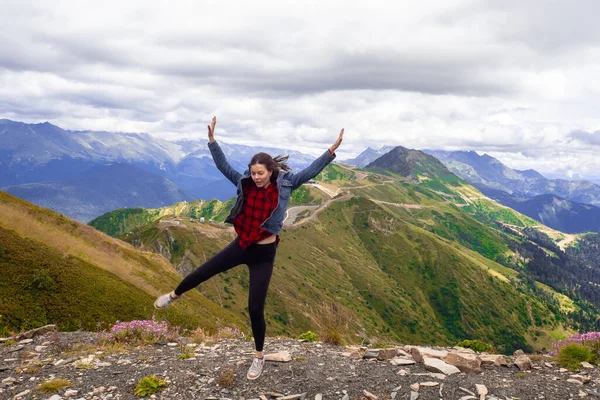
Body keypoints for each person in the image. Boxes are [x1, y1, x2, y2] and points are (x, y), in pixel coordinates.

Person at [154, 116, 344, 380]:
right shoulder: (244, 182)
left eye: (260, 173)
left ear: (270, 171)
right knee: (204, 271)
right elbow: (224, 167)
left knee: (255, 307)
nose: (255, 177)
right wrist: (212, 141)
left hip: (264, 255)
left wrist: (330, 152)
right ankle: (174, 295)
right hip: (241, 245)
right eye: (253, 173)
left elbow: (309, 172)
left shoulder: (286, 184)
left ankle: (258, 357)